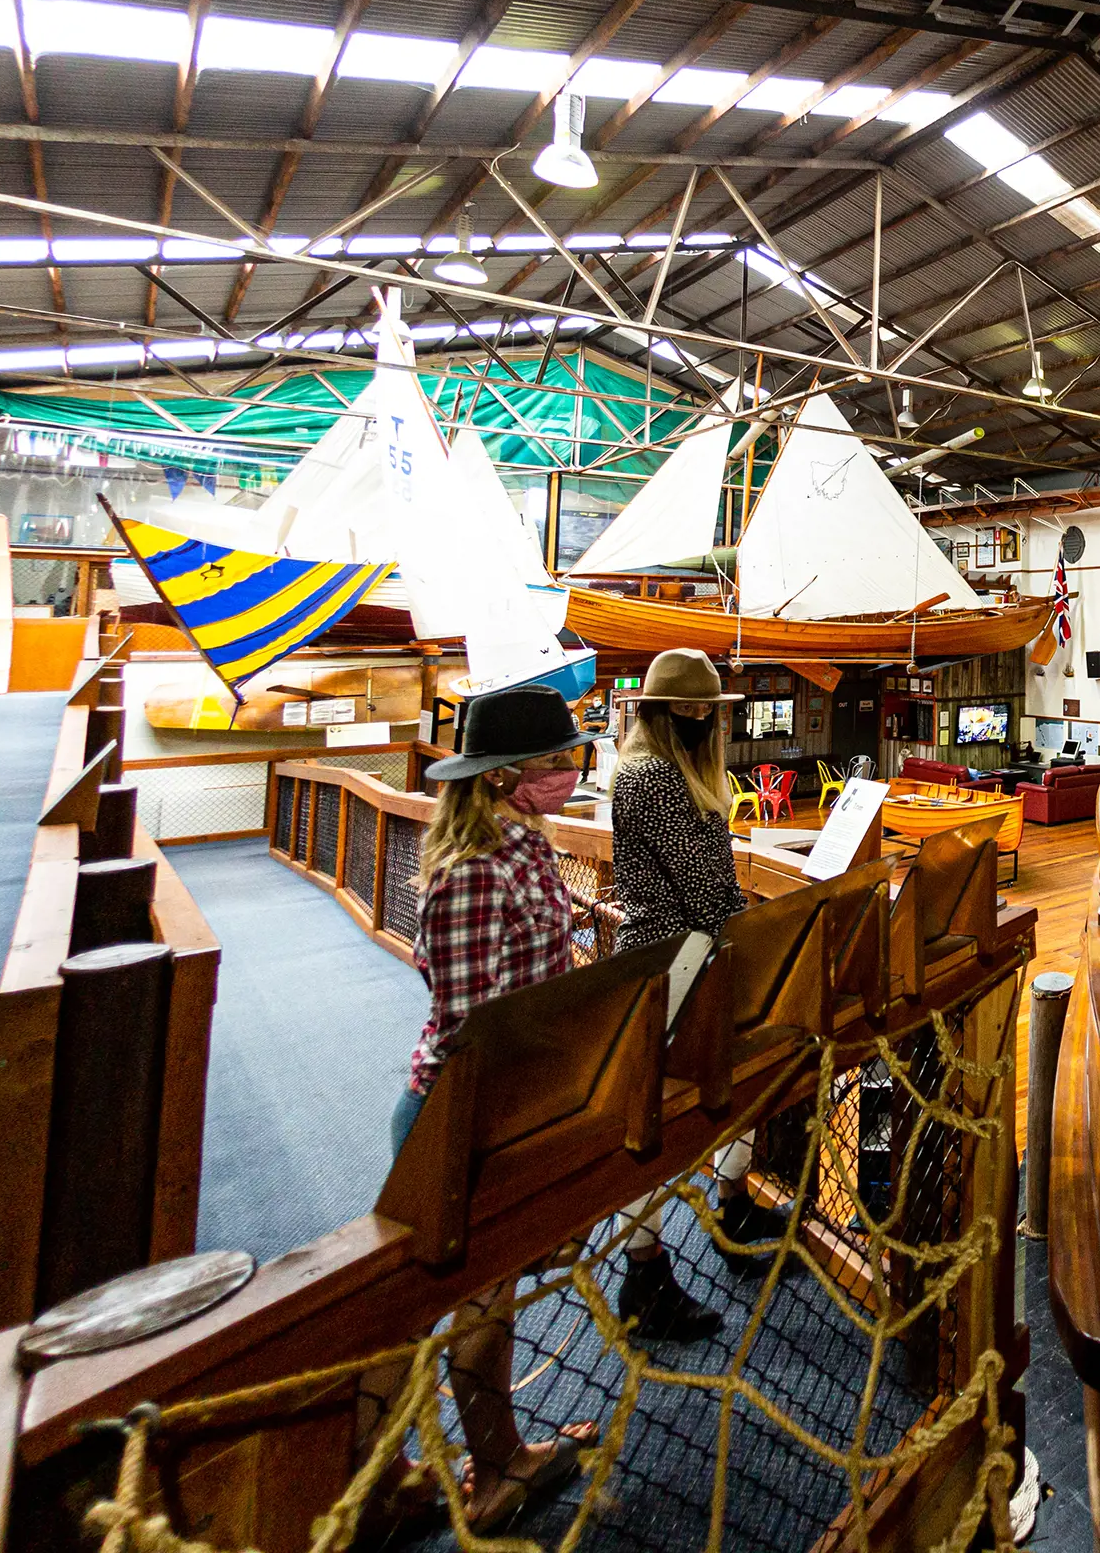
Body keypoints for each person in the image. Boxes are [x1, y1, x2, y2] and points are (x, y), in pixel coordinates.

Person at [370, 682, 595, 1535]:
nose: (569, 772)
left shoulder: (526, 847)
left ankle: (494, 1459)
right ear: (502, 777)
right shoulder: (470, 874)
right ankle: (405, 1474)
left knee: (484, 1296)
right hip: (461, 1109)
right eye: (554, 762)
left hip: (519, 1095)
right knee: (451, 1297)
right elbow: (474, 1024)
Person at [606, 648, 795, 1337]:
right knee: (659, 1113)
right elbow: (699, 882)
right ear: (659, 713)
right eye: (686, 709)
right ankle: (644, 1270)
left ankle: (730, 1201)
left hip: (699, 951)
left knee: (731, 1080)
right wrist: (754, 938)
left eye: (704, 710)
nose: (698, 720)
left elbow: (712, 876)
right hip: (673, 960)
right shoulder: (652, 778)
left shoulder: (673, 772)